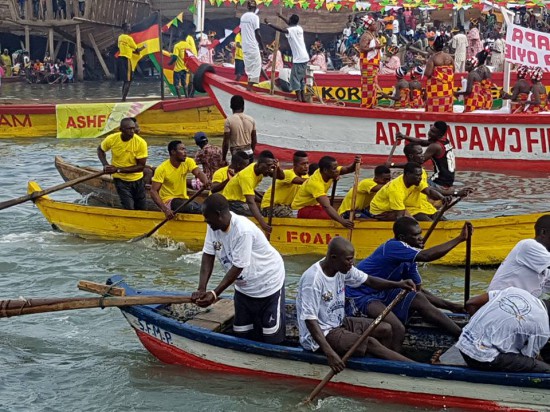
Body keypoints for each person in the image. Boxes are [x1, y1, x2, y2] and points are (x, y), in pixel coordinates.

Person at [346, 217, 470, 351]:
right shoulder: (392, 246)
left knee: (417, 298)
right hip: (360, 295)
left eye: (420, 233)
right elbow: (427, 256)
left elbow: (417, 290)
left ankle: (461, 335)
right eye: (416, 235)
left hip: (382, 292)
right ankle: (393, 363)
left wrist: (450, 306)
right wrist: (459, 238)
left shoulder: (410, 260)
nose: (420, 238)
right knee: (397, 328)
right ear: (402, 237)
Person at [297, 236, 416, 371]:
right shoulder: (313, 280)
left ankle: (380, 367)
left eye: (352, 258)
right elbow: (310, 320)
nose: (352, 263)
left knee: (386, 328)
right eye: (348, 259)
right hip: (321, 334)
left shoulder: (343, 268)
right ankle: (416, 369)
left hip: (339, 322)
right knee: (370, 343)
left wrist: (399, 284)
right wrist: (330, 354)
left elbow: (370, 281)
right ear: (333, 257)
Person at [193, 193, 286, 344]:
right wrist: (202, 288)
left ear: (218, 215)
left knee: (272, 337)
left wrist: (215, 294)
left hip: (268, 283)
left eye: (207, 219)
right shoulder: (213, 226)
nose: (206, 222)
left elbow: (238, 267)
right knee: (242, 334)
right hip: (244, 288)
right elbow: (208, 255)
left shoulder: (242, 230)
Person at [457, 287, 550, 373]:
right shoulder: (543, 329)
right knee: (544, 368)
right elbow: (528, 358)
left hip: (463, 342)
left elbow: (471, 303)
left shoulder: (513, 290)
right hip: (480, 358)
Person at [488, 215, 550, 300]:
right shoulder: (529, 245)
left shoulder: (544, 269)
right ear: (543, 232)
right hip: (501, 304)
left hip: (518, 305)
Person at [222, 150, 283, 234]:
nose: (270, 169)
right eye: (268, 166)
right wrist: (263, 224)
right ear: (259, 163)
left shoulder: (263, 169)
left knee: (262, 211)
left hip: (242, 200)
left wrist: (278, 167)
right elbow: (250, 202)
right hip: (231, 202)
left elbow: (281, 177)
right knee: (254, 214)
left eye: (271, 166)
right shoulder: (247, 176)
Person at [291, 155, 361, 228]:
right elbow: (326, 206)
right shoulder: (315, 183)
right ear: (325, 170)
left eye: (337, 168)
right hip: (301, 209)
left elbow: (347, 169)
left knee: (334, 215)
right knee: (329, 216)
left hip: (314, 206)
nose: (337, 170)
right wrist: (342, 222)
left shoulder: (329, 172)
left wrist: (355, 163)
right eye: (334, 169)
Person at [369, 162, 449, 221]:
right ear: (407, 174)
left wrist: (442, 198)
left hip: (400, 207)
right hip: (381, 212)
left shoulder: (415, 181)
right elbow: (399, 217)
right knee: (423, 220)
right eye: (417, 175)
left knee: (438, 216)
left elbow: (429, 191)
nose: (420, 178)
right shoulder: (395, 190)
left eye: (420, 175)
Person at [97, 118, 148, 210]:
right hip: (121, 180)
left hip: (138, 179)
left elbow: (141, 167)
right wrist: (105, 164)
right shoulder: (112, 139)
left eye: (133, 128)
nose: (132, 131)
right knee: (129, 208)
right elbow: (100, 150)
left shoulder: (141, 143)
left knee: (142, 208)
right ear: (121, 130)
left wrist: (117, 169)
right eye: (129, 129)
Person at [150, 141, 209, 217]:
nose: (185, 152)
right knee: (190, 206)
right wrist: (165, 210)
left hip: (183, 200)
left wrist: (205, 181)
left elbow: (198, 173)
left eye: (185, 149)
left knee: (198, 206)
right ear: (173, 152)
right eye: (182, 149)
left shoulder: (188, 161)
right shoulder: (162, 169)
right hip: (169, 202)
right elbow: (153, 191)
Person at [397, 121, 456, 189]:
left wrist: (392, 165)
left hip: (438, 182)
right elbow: (423, 142)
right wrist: (404, 137)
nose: (429, 133)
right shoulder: (445, 140)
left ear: (439, 135)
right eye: (430, 130)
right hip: (448, 182)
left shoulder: (435, 146)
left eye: (433, 132)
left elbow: (417, 164)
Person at [264, 13, 309, 102]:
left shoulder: (291, 30)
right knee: (301, 79)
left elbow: (281, 29)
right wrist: (281, 16)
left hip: (299, 58)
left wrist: (269, 24)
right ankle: (303, 98)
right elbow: (289, 23)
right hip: (304, 57)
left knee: (294, 79)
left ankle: (299, 99)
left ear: (291, 21)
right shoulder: (299, 28)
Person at [260, 150, 309, 218]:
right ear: (295, 164)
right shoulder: (288, 174)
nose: (306, 166)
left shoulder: (306, 177)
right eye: (303, 164)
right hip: (269, 207)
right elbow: (301, 181)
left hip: (285, 207)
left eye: (307, 163)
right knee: (292, 218)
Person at [222, 95, 256, 164]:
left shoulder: (228, 121)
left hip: (237, 153)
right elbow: (254, 140)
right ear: (243, 107)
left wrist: (223, 158)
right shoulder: (251, 119)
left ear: (231, 107)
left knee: (238, 174)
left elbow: (226, 142)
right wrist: (251, 151)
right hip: (249, 151)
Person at [240, 0, 266, 91]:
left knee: (250, 66)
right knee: (257, 66)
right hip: (252, 45)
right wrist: (263, 47)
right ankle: (249, 87)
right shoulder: (255, 17)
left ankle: (250, 85)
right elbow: (257, 33)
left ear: (248, 7)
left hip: (245, 45)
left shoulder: (243, 17)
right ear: (255, 8)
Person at [424, 36, 454, 113]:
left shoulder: (433, 58)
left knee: (435, 108)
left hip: (436, 89)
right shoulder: (449, 57)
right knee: (447, 105)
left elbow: (428, 73)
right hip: (447, 88)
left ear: (434, 46)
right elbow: (453, 71)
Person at [359, 15, 382, 108]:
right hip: (367, 63)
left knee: (373, 84)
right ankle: (366, 104)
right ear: (368, 26)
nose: (375, 25)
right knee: (368, 85)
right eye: (373, 24)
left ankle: (372, 103)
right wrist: (375, 47)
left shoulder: (372, 35)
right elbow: (362, 48)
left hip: (373, 64)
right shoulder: (366, 35)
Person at [117, 23, 145, 102]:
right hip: (126, 59)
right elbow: (137, 50)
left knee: (125, 80)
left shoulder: (120, 37)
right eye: (129, 27)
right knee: (129, 80)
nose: (130, 28)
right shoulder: (129, 38)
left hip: (120, 58)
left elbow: (121, 47)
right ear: (126, 28)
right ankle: (123, 99)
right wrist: (144, 46)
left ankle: (123, 98)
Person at [169, 33, 192, 98]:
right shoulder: (188, 46)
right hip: (185, 68)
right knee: (184, 83)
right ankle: (187, 97)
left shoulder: (177, 46)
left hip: (178, 68)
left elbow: (175, 57)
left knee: (176, 84)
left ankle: (179, 98)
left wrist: (170, 63)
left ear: (179, 37)